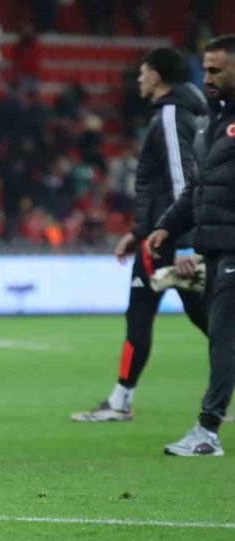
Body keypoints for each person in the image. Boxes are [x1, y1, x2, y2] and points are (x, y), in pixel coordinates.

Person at [72, 47, 209, 422]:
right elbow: (160, 182)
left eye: (142, 73)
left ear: (157, 77)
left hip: (169, 240)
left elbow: (183, 178)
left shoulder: (169, 116)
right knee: (208, 316)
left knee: (144, 314)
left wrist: (184, 242)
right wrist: (137, 231)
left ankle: (120, 402)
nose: (138, 80)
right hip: (162, 235)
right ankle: (121, 399)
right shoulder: (189, 113)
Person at [146, 34, 235, 456]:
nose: (208, 77)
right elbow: (199, 187)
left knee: (223, 335)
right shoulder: (212, 120)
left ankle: (207, 431)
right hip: (216, 245)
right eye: (206, 68)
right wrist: (168, 226)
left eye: (217, 70)